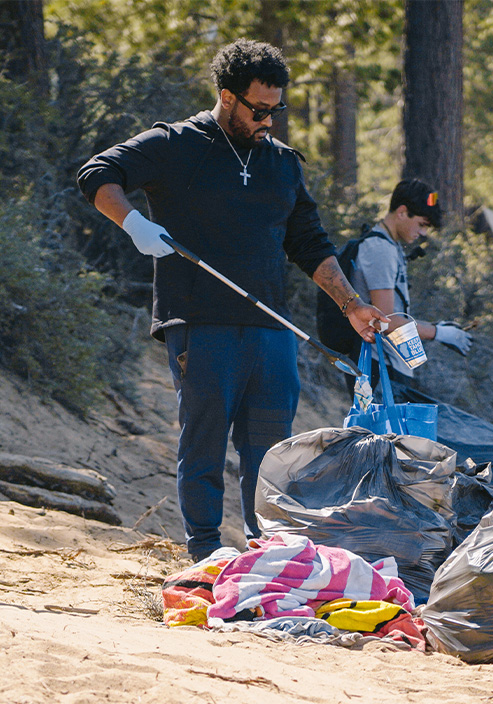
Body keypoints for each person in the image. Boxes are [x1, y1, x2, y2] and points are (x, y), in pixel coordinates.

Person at [77, 38, 386, 561]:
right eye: (259, 110)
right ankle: (203, 552)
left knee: (269, 453)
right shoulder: (175, 143)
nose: (269, 120)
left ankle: (263, 554)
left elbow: (309, 243)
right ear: (227, 95)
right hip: (198, 322)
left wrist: (352, 303)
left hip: (270, 329)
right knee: (203, 441)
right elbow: (96, 173)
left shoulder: (283, 164)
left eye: (276, 110)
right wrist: (133, 223)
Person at [347, 178, 472, 392]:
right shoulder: (380, 249)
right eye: (422, 224)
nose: (423, 233)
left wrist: (438, 329)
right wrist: (437, 333)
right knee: (375, 427)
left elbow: (395, 315)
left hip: (391, 367)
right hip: (377, 368)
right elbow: (386, 322)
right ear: (402, 212)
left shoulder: (391, 246)